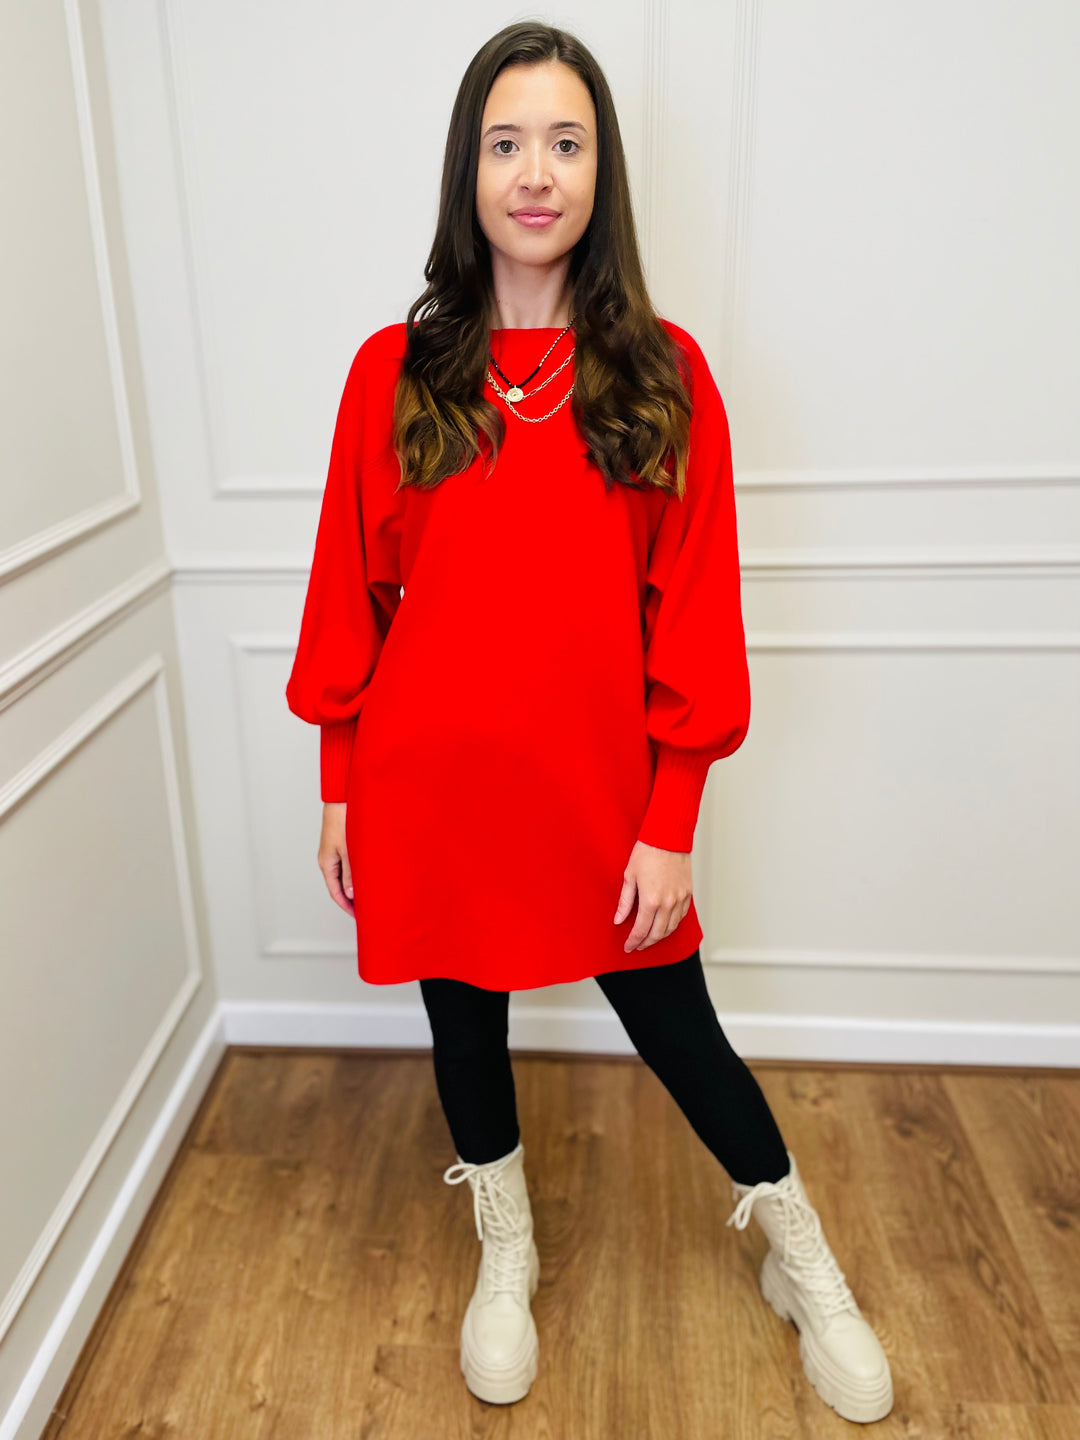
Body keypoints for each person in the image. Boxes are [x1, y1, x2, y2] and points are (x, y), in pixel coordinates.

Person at [285, 20, 893, 1425]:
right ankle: (506, 1247)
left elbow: (697, 619)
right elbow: (347, 592)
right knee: (465, 1025)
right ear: (469, 169)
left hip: (601, 796)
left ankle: (799, 1253)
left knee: (680, 1031)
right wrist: (340, 782)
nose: (536, 173)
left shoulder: (663, 376)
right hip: (428, 788)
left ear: (601, 172)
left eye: (565, 143)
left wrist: (670, 820)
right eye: (507, 144)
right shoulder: (393, 374)